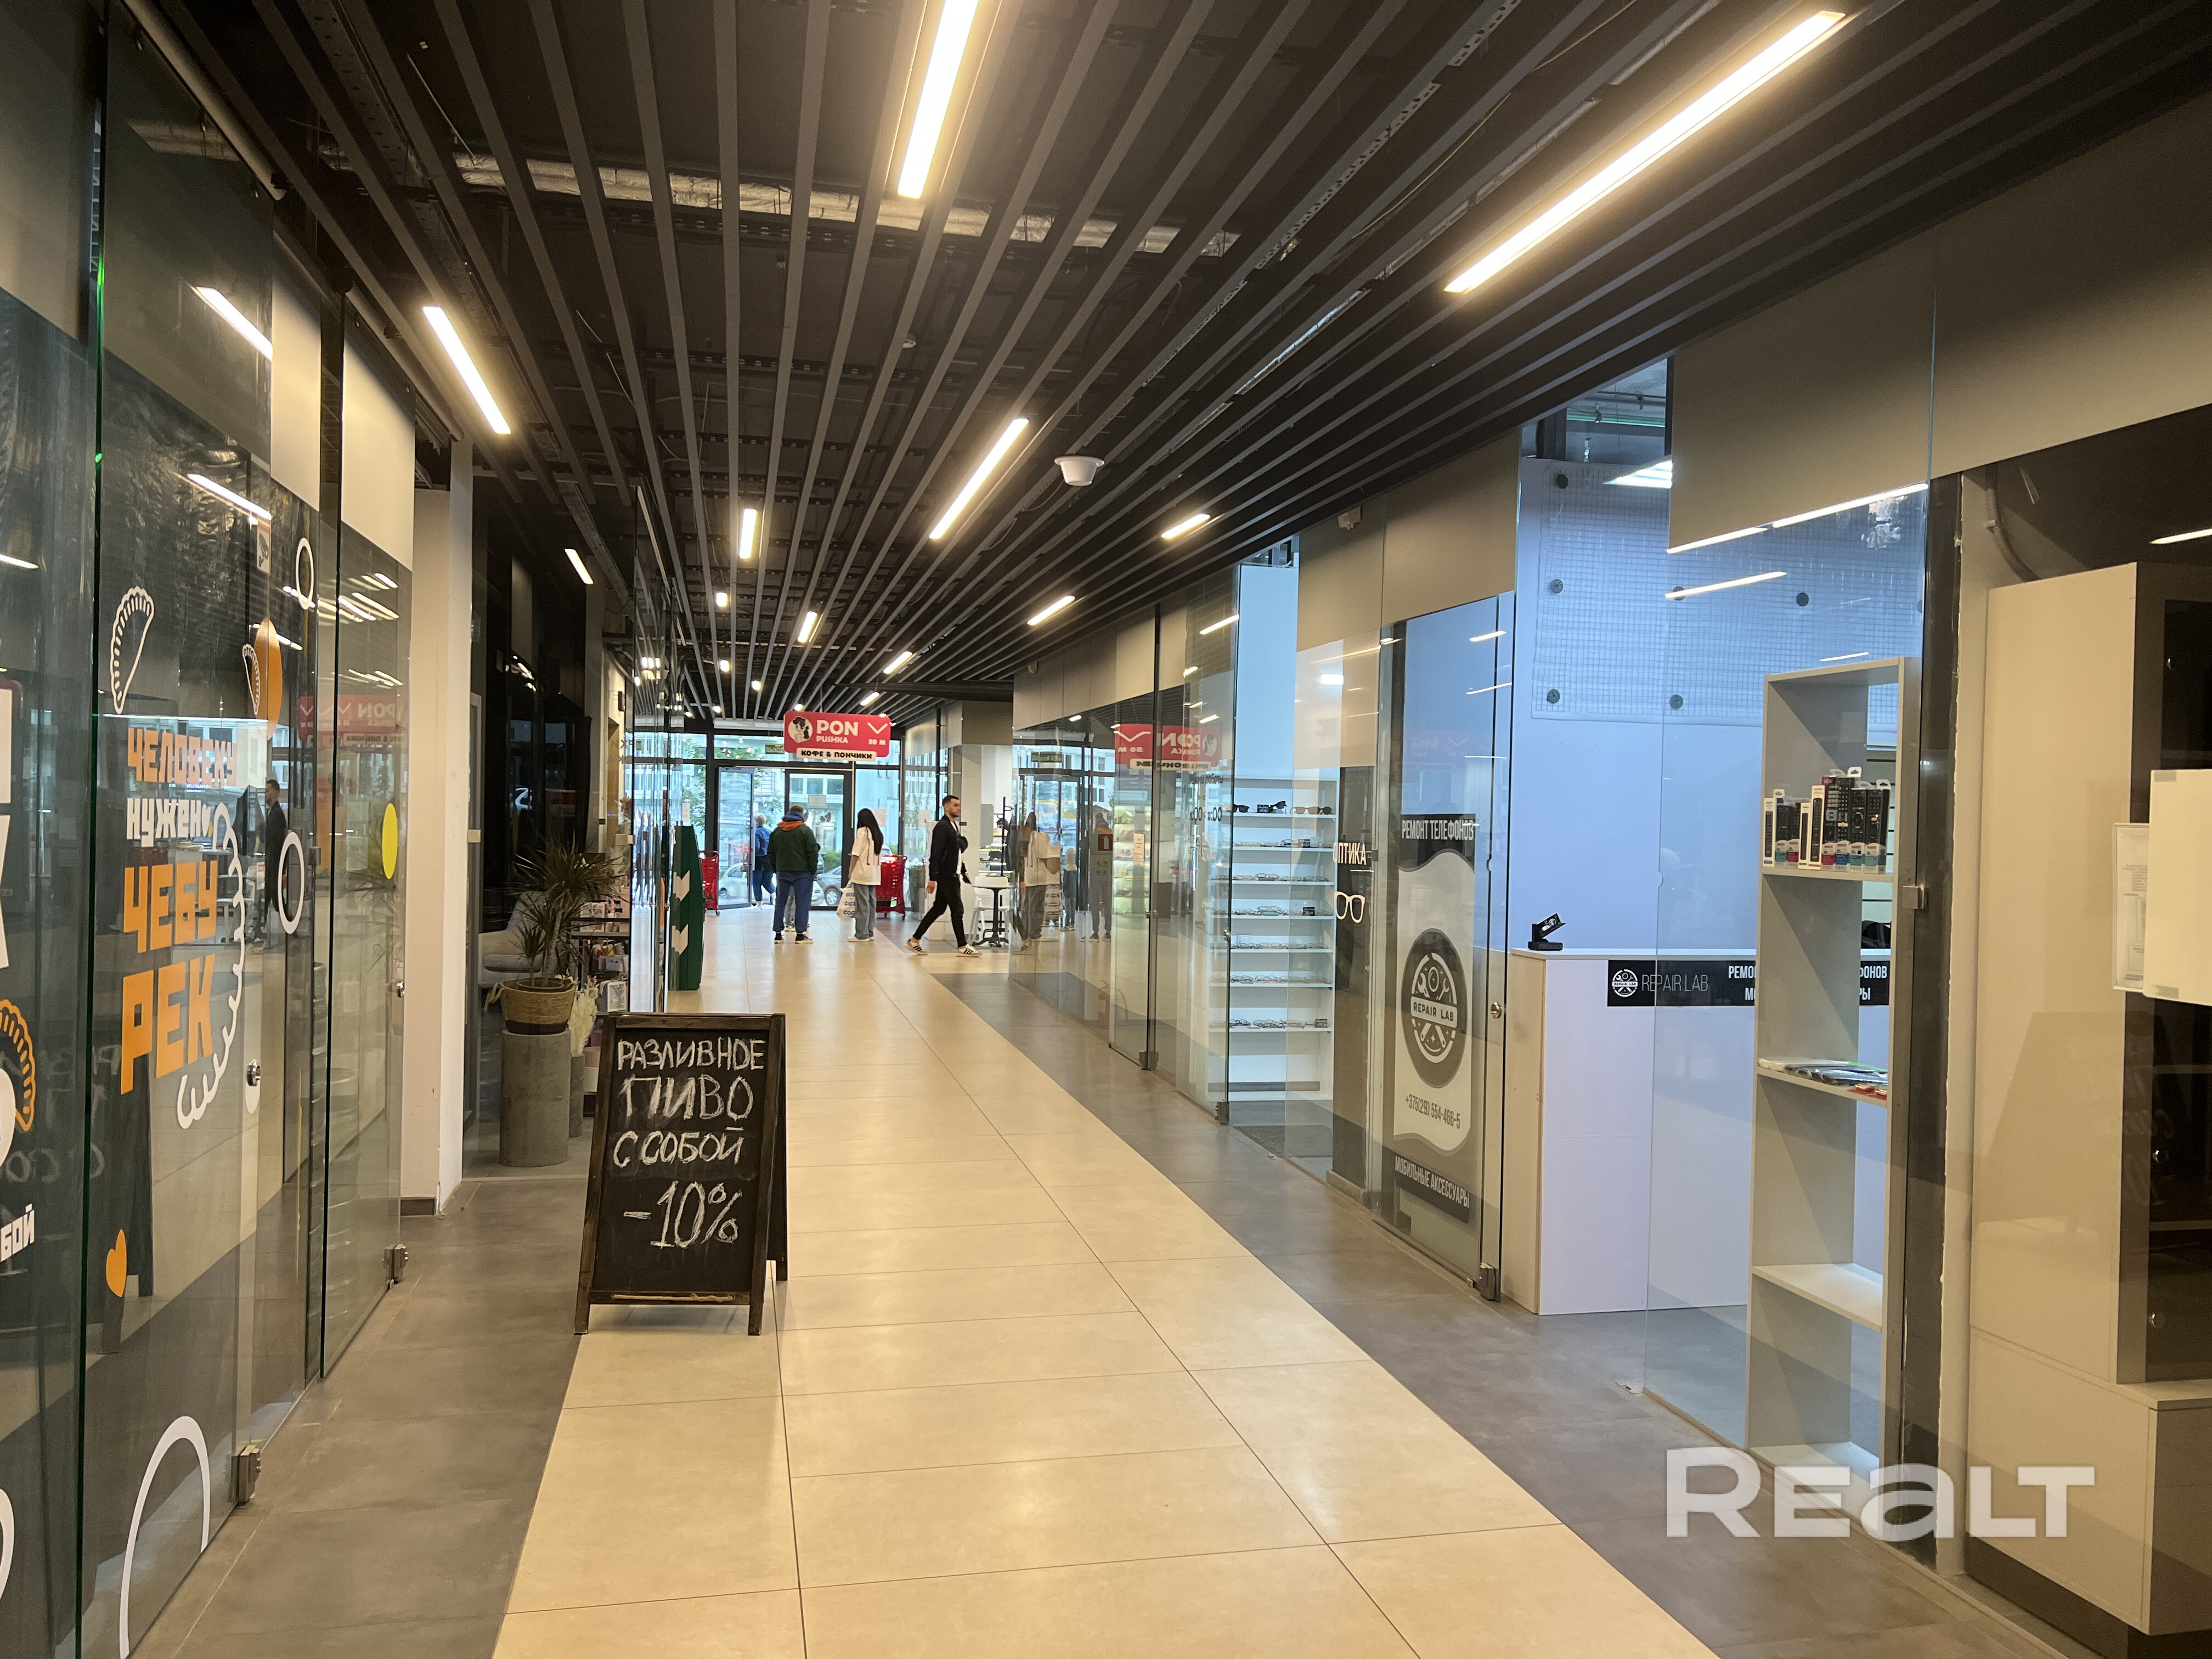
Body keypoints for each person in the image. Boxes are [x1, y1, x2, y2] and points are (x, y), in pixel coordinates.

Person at [906, 793, 977, 956]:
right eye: (955, 805)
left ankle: (914, 940)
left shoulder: (952, 826)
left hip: (952, 874)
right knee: (957, 910)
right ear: (946, 807)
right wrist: (932, 878)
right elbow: (936, 853)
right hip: (947, 876)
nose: (959, 808)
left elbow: (955, 853)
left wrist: (963, 871)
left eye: (959, 805)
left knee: (939, 908)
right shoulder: (943, 827)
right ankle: (963, 946)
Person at [767, 804, 819, 942]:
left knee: (781, 902)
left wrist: (777, 868)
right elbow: (813, 852)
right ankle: (800, 935)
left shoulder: (777, 831)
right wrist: (812, 870)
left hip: (783, 872)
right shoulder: (805, 831)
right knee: (802, 903)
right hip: (803, 873)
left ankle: (778, 934)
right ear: (801, 814)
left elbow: (770, 853)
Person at [1015, 810, 1056, 951]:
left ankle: (1027, 932)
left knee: (1028, 906)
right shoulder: (1038, 838)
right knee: (1037, 907)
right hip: (1038, 878)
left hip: (1029, 877)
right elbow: (1046, 858)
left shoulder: (1024, 839)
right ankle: (1034, 932)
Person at [847, 808, 884, 942]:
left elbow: (856, 853)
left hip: (862, 873)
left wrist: (851, 871)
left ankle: (861, 934)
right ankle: (870, 932)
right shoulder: (878, 833)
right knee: (871, 904)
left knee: (862, 904)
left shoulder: (862, 832)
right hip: (874, 874)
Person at [262, 778, 289, 947]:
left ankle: (290, 925)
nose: (267, 794)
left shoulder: (277, 815)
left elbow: (279, 842)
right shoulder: (271, 813)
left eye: (268, 791)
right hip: (272, 863)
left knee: (275, 898)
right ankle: (259, 928)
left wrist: (281, 868)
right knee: (271, 898)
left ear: (276, 792)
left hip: (275, 864)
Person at [749, 815, 773, 904]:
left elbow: (757, 847)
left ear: (755, 822)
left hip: (758, 861)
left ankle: (759, 904)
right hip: (770, 860)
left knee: (757, 883)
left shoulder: (755, 832)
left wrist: (750, 856)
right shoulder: (769, 832)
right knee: (767, 883)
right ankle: (775, 895)